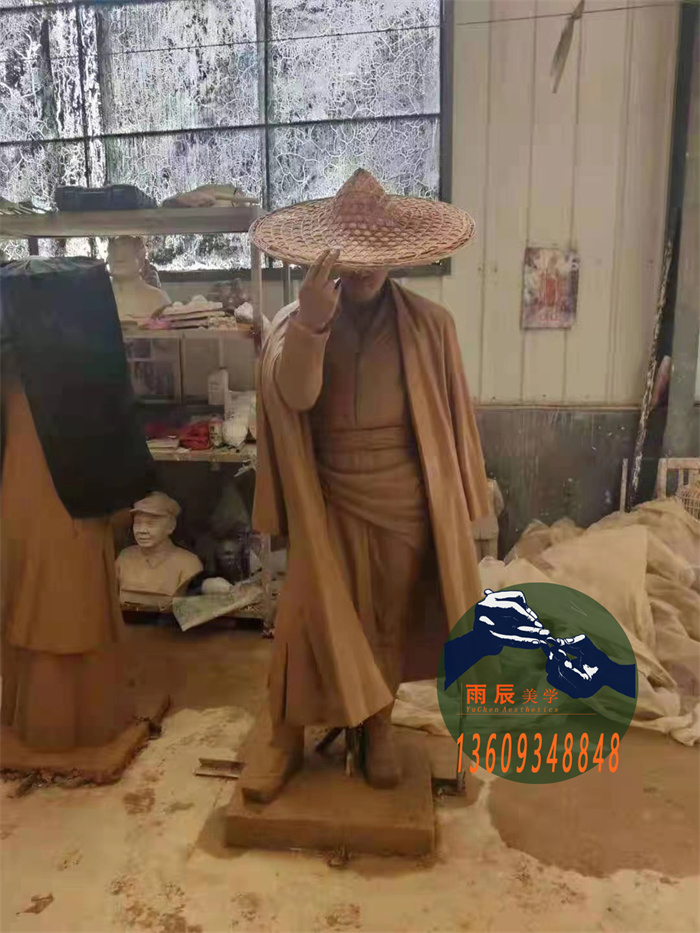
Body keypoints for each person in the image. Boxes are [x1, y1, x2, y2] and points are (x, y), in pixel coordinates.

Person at [240, 169, 490, 801]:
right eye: (352, 256)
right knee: (304, 617)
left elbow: (451, 422)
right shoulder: (295, 321)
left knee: (386, 619)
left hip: (403, 498)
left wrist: (464, 502)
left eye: (376, 255)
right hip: (323, 495)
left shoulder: (430, 325)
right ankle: (285, 735)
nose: (364, 269)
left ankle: (377, 727)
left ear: (397, 254)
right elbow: (296, 396)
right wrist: (311, 327)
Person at [0, 257, 155, 752]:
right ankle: (57, 719)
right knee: (47, 598)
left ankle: (65, 718)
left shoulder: (54, 366)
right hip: (41, 493)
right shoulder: (46, 363)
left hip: (59, 497)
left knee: (59, 598)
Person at [116, 492, 203, 607]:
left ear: (170, 526)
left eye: (150, 524)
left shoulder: (188, 563)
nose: (142, 530)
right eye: (137, 523)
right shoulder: (125, 557)